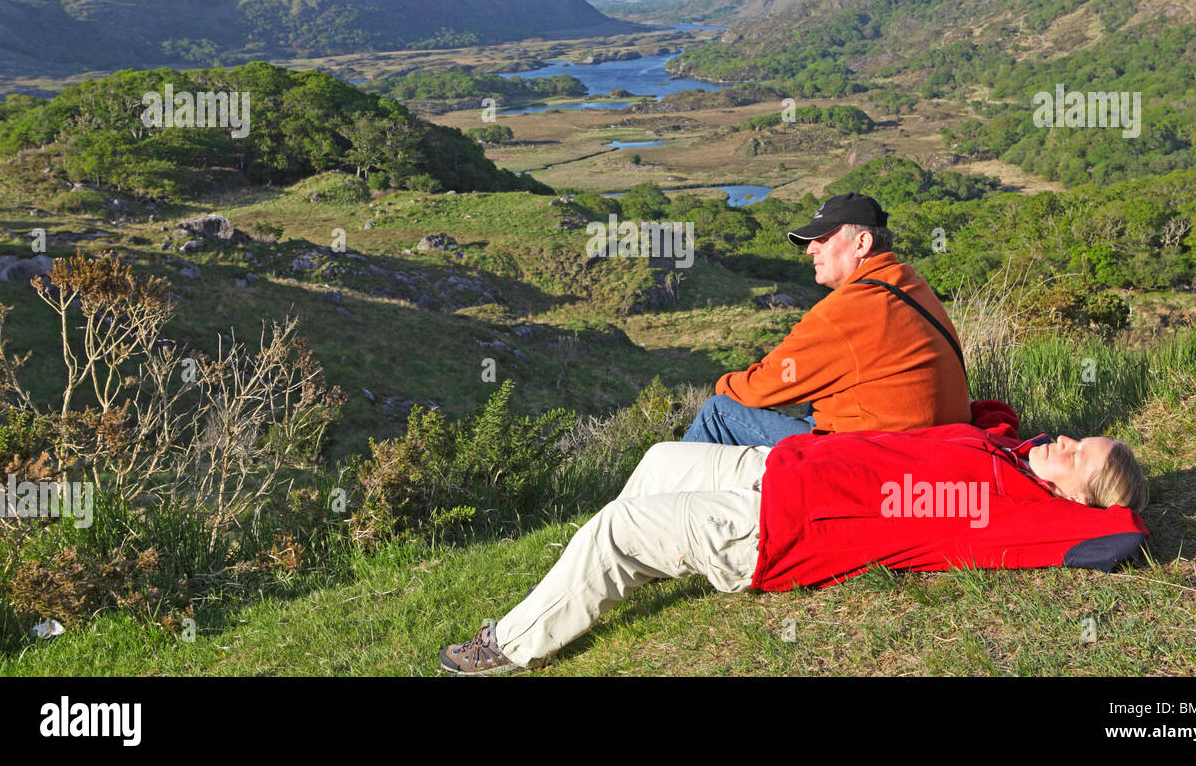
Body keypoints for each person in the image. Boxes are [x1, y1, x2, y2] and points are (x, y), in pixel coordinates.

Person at [438, 400, 1150, 675]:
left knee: (616, 528)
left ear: (1071, 496)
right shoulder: (1005, 452)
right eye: (1078, 438)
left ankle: (509, 645)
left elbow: (1109, 537)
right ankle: (612, 572)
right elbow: (991, 425)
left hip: (778, 527)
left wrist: (1108, 509)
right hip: (783, 467)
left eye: (1076, 454)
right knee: (659, 459)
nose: (1065, 441)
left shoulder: (1006, 504)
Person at [682, 192, 971, 447]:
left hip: (876, 452)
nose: (810, 249)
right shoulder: (912, 287)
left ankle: (666, 503)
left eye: (822, 239)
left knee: (717, 412)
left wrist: (725, 384)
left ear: (862, 243)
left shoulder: (848, 310)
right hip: (927, 444)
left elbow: (765, 385)